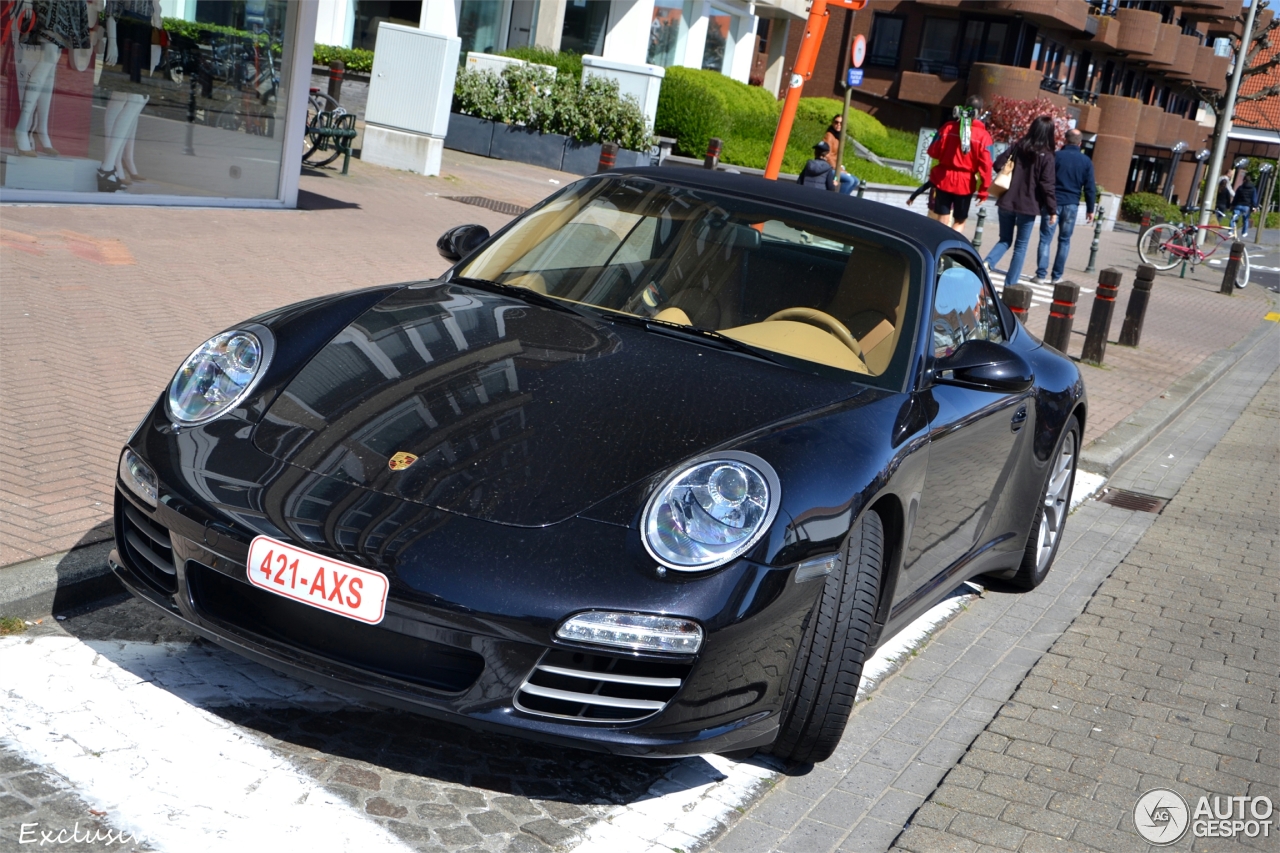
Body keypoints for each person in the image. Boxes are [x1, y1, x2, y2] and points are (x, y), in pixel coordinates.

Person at [985, 116, 1057, 288]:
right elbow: (1046, 185)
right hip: (1028, 205)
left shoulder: (1018, 146)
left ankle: (987, 263)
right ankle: (1010, 285)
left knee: (1005, 239)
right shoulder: (1047, 156)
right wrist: (1052, 210)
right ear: (1049, 133)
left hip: (1007, 200)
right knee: (1021, 246)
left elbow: (997, 165)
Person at [1032, 128, 1096, 284]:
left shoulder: (1055, 157)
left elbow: (1044, 179)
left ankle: (1041, 275)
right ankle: (1057, 276)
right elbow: (1090, 187)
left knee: (1046, 239)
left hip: (1052, 203)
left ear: (1065, 140)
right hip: (1071, 204)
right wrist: (1090, 209)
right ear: (1080, 143)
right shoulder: (1086, 161)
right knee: (1065, 240)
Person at [925, 95, 994, 231]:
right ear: (979, 112)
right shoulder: (984, 137)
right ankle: (951, 248)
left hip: (943, 178)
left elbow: (932, 151)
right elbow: (987, 165)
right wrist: (984, 190)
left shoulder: (947, 128)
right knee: (960, 221)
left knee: (942, 219)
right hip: (965, 183)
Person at [823, 114, 858, 195]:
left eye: (841, 123)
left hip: (836, 167)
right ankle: (837, 199)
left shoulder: (838, 136)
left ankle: (844, 199)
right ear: (832, 123)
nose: (838, 125)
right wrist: (839, 169)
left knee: (856, 181)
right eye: (836, 122)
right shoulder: (829, 135)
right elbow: (827, 155)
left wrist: (841, 167)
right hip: (829, 168)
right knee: (849, 181)